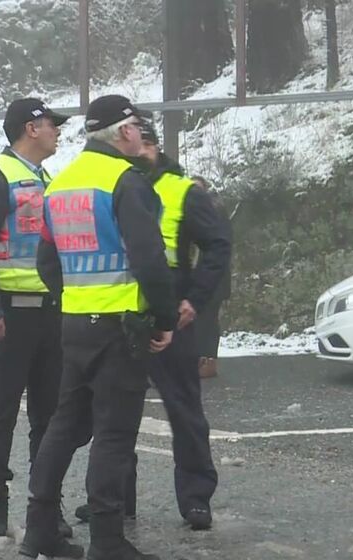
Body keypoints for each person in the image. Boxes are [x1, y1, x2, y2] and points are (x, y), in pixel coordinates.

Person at [19, 94, 178, 560]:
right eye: (138, 128)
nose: (141, 135)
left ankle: (39, 527)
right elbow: (150, 259)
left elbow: (47, 262)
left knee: (64, 424)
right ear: (125, 132)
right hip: (120, 326)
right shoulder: (125, 182)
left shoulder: (62, 184)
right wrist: (165, 319)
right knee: (114, 432)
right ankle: (107, 542)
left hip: (75, 324)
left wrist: (75, 297)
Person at [73, 114, 232, 531]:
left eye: (144, 146)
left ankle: (196, 498)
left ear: (156, 147)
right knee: (114, 413)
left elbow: (217, 246)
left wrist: (195, 299)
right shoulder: (114, 183)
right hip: (123, 307)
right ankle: (114, 500)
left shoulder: (182, 191)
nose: (137, 153)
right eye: (133, 145)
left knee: (183, 407)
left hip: (169, 306)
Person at [0, 98, 71, 540]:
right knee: (0, 414)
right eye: (51, 124)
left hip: (50, 315)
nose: (57, 131)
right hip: (7, 317)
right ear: (31, 128)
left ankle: (46, 508)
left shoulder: (48, 180)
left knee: (50, 418)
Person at [190, 175, 232, 379]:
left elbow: (219, 246)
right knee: (200, 319)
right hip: (203, 276)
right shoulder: (205, 209)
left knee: (207, 319)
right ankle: (201, 360)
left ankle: (208, 361)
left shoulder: (213, 210)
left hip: (214, 277)